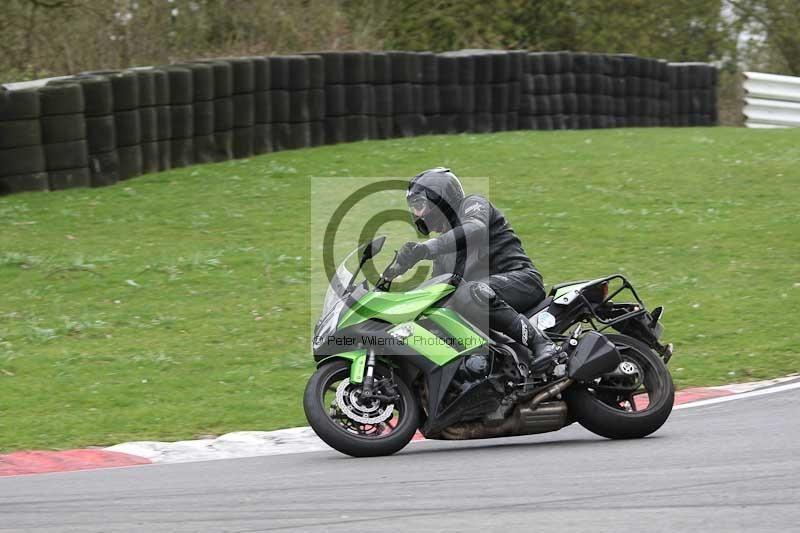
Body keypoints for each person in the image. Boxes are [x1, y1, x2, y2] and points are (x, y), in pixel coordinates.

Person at [385, 167, 562, 370]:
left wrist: (425, 249)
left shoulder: (472, 205)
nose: (416, 213)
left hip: (520, 280)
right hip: (485, 299)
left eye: (419, 204)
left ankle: (541, 343)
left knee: (470, 292)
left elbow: (474, 229)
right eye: (413, 207)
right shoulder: (444, 251)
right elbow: (434, 294)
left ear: (440, 198)